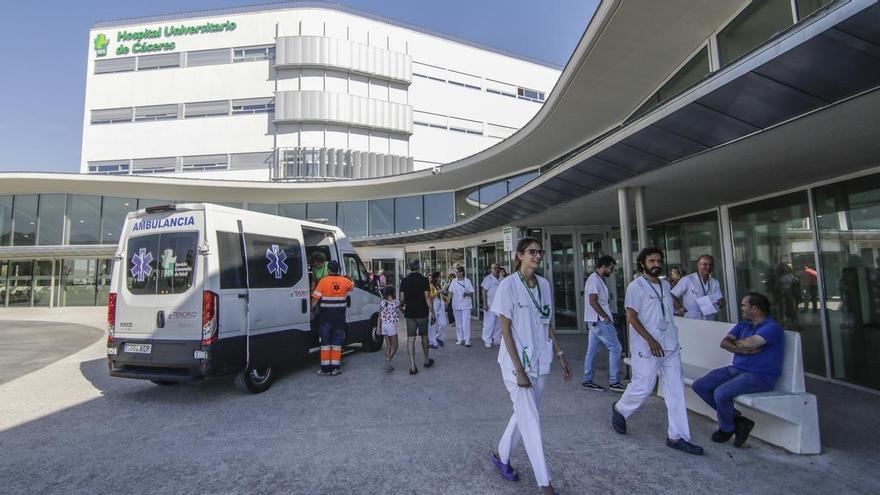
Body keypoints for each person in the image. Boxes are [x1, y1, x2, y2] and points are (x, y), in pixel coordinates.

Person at [490, 237, 573, 495]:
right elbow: (505, 330)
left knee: (524, 414)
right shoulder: (508, 286)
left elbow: (546, 321)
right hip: (516, 365)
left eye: (540, 252)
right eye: (531, 252)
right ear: (519, 256)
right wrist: (519, 370)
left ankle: (501, 455)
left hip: (541, 360)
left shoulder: (544, 285)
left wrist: (559, 353)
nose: (537, 256)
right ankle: (545, 483)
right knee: (531, 421)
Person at [611, 247, 704, 455]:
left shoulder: (664, 284)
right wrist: (651, 341)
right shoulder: (636, 287)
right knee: (644, 386)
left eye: (659, 260)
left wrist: (679, 308)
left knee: (676, 391)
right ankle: (620, 409)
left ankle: (677, 436)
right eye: (652, 260)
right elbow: (632, 317)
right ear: (643, 263)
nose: (656, 264)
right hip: (647, 347)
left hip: (670, 345)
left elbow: (666, 308)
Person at [692, 292, 784, 447]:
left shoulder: (771, 327)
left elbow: (750, 343)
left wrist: (740, 346)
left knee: (721, 393)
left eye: (743, 305)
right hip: (736, 370)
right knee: (700, 386)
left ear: (754, 308)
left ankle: (727, 428)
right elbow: (724, 343)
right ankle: (738, 420)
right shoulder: (744, 325)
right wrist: (742, 350)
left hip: (760, 376)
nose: (741, 308)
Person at [581, 255, 626, 393]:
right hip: (600, 320)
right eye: (611, 268)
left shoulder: (596, 279)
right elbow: (593, 301)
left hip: (594, 321)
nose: (611, 271)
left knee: (592, 351)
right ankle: (614, 381)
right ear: (604, 266)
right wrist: (605, 316)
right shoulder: (594, 280)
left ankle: (587, 380)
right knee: (616, 348)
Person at [310, 260, 354, 376]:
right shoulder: (345, 281)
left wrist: (310, 311)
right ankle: (336, 368)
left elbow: (315, 299)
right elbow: (352, 285)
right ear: (339, 269)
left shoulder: (323, 281)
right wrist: (349, 277)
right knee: (337, 343)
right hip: (339, 318)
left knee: (325, 343)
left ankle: (325, 369)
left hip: (325, 318)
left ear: (328, 270)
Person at [399, 259, 436, 375]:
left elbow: (402, 299)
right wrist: (432, 311)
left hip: (410, 313)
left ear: (409, 267)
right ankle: (426, 359)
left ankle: (413, 365)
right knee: (424, 336)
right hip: (422, 312)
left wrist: (403, 308)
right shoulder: (424, 280)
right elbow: (427, 297)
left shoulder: (404, 281)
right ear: (419, 267)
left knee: (411, 338)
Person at [672, 255, 725, 320]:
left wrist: (722, 302)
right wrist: (679, 307)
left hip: (710, 320)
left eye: (711, 265)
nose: (708, 267)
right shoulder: (688, 279)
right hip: (692, 320)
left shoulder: (715, 282)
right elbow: (672, 295)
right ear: (698, 265)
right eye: (705, 264)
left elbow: (720, 301)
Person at [449, 266, 475, 346]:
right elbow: (450, 292)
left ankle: (467, 340)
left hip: (466, 305)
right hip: (456, 304)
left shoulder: (467, 281)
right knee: (458, 323)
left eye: (457, 272)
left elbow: (472, 292)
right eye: (455, 272)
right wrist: (447, 302)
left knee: (465, 323)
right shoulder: (453, 281)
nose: (456, 274)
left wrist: (466, 294)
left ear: (462, 273)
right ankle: (460, 339)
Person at [378, 286, 401, 373]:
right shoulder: (396, 302)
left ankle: (388, 363)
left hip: (384, 325)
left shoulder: (383, 302)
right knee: (395, 346)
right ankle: (388, 362)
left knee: (388, 346)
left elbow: (379, 316)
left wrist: (378, 327)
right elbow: (402, 311)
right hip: (391, 326)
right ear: (393, 293)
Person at [481, 262, 503, 348]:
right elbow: (484, 291)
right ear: (491, 269)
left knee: (499, 324)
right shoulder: (488, 279)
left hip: (500, 305)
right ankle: (487, 340)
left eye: (497, 268)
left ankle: (497, 339)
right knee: (489, 323)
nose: (495, 270)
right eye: (493, 268)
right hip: (490, 305)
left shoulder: (501, 279)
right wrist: (485, 304)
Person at [428, 272, 449, 348]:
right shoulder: (430, 286)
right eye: (440, 277)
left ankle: (439, 337)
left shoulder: (438, 285)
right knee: (432, 326)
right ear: (436, 277)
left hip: (440, 307)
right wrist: (438, 292)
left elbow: (439, 295)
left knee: (443, 324)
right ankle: (432, 342)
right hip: (433, 307)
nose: (441, 278)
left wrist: (445, 297)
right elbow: (430, 296)